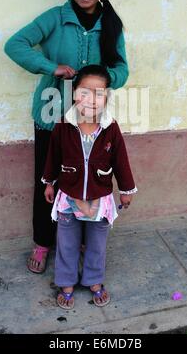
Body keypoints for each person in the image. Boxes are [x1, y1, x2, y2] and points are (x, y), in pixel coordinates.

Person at [4, 0, 129, 274]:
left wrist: (99, 79)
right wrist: (51, 67)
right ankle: (43, 243)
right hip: (51, 116)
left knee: (88, 182)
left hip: (91, 123)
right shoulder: (55, 17)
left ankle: (83, 242)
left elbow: (123, 70)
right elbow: (15, 45)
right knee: (47, 181)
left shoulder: (112, 25)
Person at [43, 65, 137, 309]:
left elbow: (121, 162)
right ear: (74, 93)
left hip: (100, 199)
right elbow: (53, 157)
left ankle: (94, 280)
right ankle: (65, 282)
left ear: (107, 96)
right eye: (85, 92)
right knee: (66, 243)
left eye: (99, 93)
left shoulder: (110, 128)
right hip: (68, 198)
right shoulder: (63, 126)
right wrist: (49, 183)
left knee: (97, 244)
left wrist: (126, 191)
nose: (92, 99)